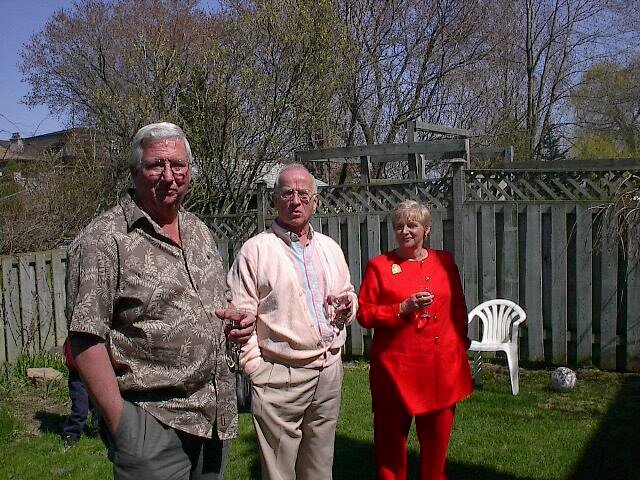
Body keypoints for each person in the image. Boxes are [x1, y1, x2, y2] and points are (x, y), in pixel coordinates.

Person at [66, 122, 254, 480]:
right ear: (135, 170)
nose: (169, 176)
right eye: (156, 165)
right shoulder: (104, 239)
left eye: (178, 165)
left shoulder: (197, 230)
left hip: (213, 417)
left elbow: (211, 300)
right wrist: (123, 426)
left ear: (189, 172)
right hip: (152, 423)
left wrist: (234, 320)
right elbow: (85, 337)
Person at [226, 164, 358, 480]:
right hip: (279, 376)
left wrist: (348, 306)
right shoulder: (255, 251)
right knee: (279, 473)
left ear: (315, 202)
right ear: (274, 200)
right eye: (287, 193)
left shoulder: (330, 248)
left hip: (328, 372)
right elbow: (239, 316)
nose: (295, 201)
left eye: (303, 194)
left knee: (320, 468)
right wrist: (256, 369)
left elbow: (348, 293)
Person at [357, 200, 473, 480]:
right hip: (395, 371)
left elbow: (458, 308)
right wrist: (401, 308)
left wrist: (459, 344)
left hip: (440, 369)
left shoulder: (445, 262)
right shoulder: (379, 266)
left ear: (427, 229)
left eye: (412, 225)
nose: (405, 231)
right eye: (399, 226)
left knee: (436, 447)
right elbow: (365, 314)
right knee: (390, 446)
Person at [60, 337, 99, 448]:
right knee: (80, 408)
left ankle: (98, 430)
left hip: (94, 374)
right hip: (77, 377)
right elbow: (71, 361)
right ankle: (71, 434)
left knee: (97, 406)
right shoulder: (73, 339)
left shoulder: (96, 338)